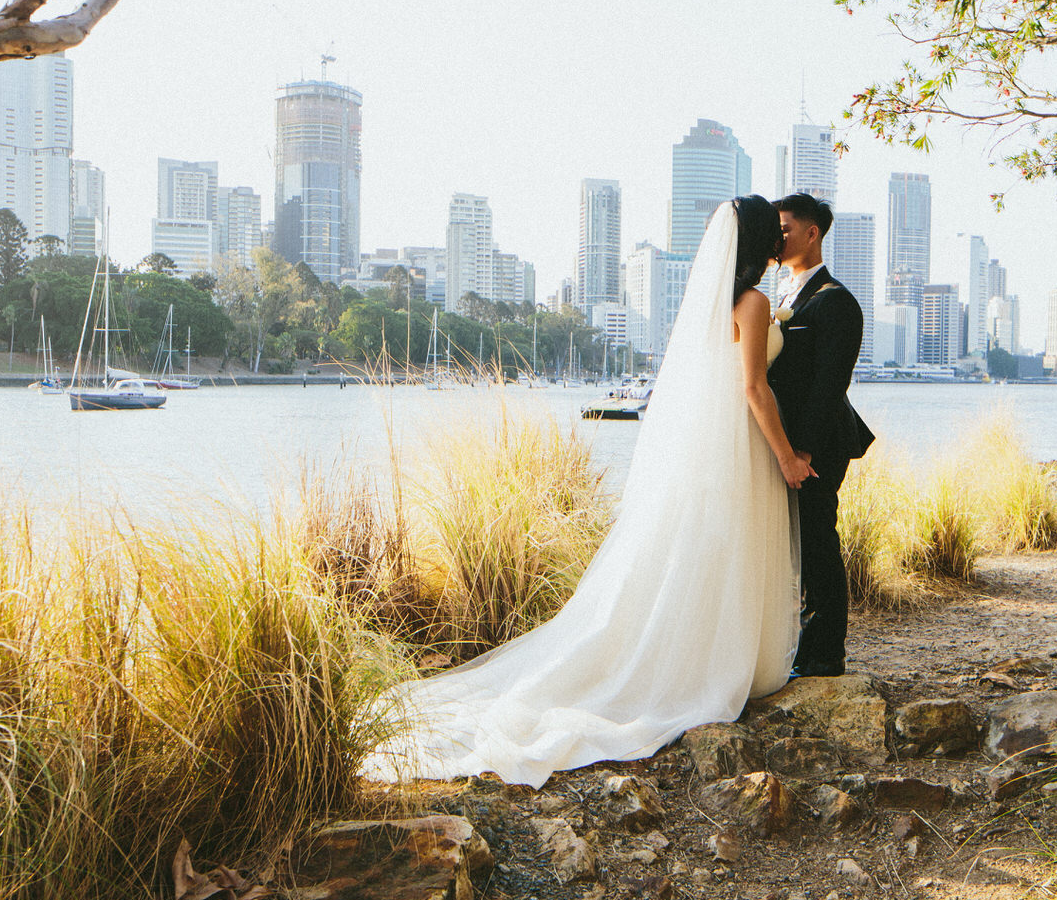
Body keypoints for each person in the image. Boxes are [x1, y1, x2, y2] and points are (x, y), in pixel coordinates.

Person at [360, 196, 812, 787]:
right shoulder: (751, 302)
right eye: (771, 233)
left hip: (717, 453)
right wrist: (787, 456)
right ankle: (709, 665)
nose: (781, 239)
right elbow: (754, 389)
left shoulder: (716, 305)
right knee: (726, 553)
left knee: (703, 556)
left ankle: (698, 652)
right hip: (744, 450)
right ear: (758, 243)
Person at [768, 193, 876, 678]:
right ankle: (801, 644)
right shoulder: (784, 294)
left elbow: (831, 385)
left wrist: (802, 449)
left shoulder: (837, 301)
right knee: (799, 541)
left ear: (812, 233)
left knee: (817, 540)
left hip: (820, 444)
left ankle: (826, 653)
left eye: (786, 228)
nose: (779, 237)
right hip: (788, 441)